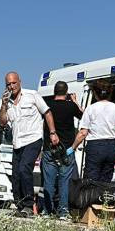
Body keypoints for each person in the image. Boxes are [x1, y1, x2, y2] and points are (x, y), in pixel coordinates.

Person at [0, 71, 59, 216]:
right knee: (15, 174)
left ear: (20, 82)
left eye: (14, 83)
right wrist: (3, 105)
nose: (12, 86)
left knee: (24, 168)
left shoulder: (32, 95)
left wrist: (52, 132)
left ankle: (28, 204)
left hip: (33, 139)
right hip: (17, 142)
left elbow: (47, 112)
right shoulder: (7, 103)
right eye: (8, 84)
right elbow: (2, 121)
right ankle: (19, 205)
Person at [72, 80, 115, 183]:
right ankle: (104, 198)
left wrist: (73, 147)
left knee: (91, 179)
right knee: (106, 179)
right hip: (111, 147)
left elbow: (83, 133)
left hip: (95, 146)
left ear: (95, 94)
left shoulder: (91, 109)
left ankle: (92, 198)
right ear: (110, 93)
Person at [41, 80, 82, 218]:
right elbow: (83, 115)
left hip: (49, 148)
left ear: (54, 91)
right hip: (67, 149)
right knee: (64, 181)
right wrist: (75, 101)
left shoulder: (48, 106)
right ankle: (63, 211)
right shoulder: (71, 106)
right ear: (66, 92)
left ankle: (47, 210)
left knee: (49, 181)